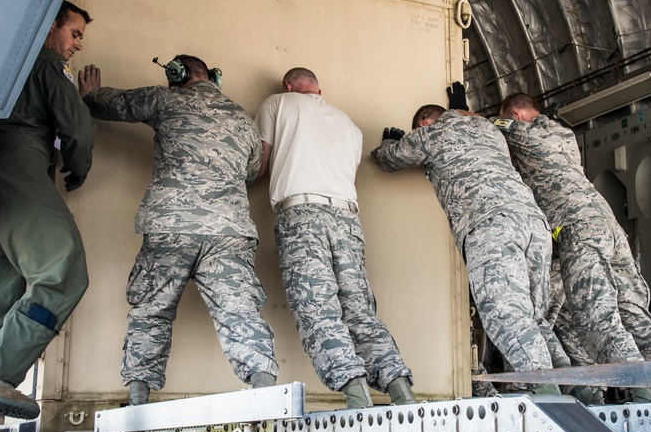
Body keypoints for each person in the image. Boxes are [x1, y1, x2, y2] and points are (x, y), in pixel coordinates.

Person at [0, 0, 97, 432]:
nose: (77, 45)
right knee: (63, 271)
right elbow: (78, 130)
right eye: (75, 33)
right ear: (51, 28)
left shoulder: (3, 63)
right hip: (18, 166)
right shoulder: (48, 64)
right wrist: (79, 165)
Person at [81, 55, 277, 405]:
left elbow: (119, 105)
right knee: (240, 312)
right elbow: (252, 171)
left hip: (172, 227)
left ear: (177, 74)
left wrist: (92, 94)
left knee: (152, 310)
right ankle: (265, 391)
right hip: (228, 232)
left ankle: (139, 397)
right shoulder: (244, 120)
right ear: (213, 78)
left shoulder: (166, 98)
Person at [495, 91, 651, 402]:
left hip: (577, 230)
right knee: (633, 315)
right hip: (607, 226)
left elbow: (492, 127)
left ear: (516, 115)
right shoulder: (562, 134)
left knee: (595, 316)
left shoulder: (522, 132)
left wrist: (461, 112)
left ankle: (643, 395)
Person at [371, 102, 565, 395]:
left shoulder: (432, 134)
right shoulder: (489, 130)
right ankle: (577, 387)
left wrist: (388, 143)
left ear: (424, 122)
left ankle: (548, 392)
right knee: (534, 319)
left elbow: (389, 159)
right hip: (534, 224)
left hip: (490, 224)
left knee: (504, 313)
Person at [256, 67, 414, 409]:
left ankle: (357, 399)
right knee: (360, 312)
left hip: (301, 215)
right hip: (347, 218)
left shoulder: (277, 103)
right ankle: (402, 392)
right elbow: (350, 178)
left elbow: (260, 165)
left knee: (318, 309)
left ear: (288, 85)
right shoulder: (349, 125)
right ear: (319, 89)